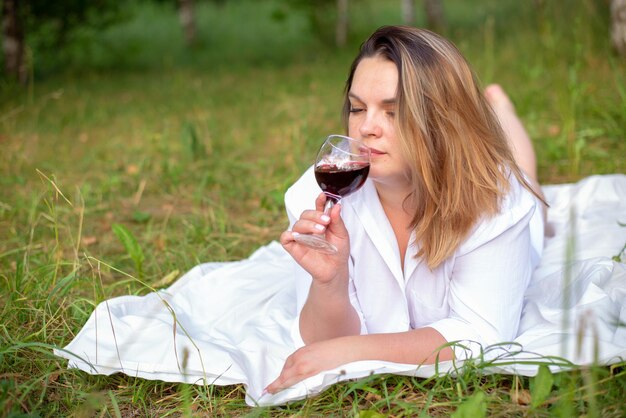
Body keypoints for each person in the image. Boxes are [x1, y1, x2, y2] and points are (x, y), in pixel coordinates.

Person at [266, 25, 547, 394]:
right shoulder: (319, 195)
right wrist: (329, 284)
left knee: (524, 176)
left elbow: (480, 334)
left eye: (392, 111)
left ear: (442, 120)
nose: (366, 127)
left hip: (504, 200)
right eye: (357, 107)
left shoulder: (497, 199)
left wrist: (353, 351)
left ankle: (500, 109)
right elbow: (322, 343)